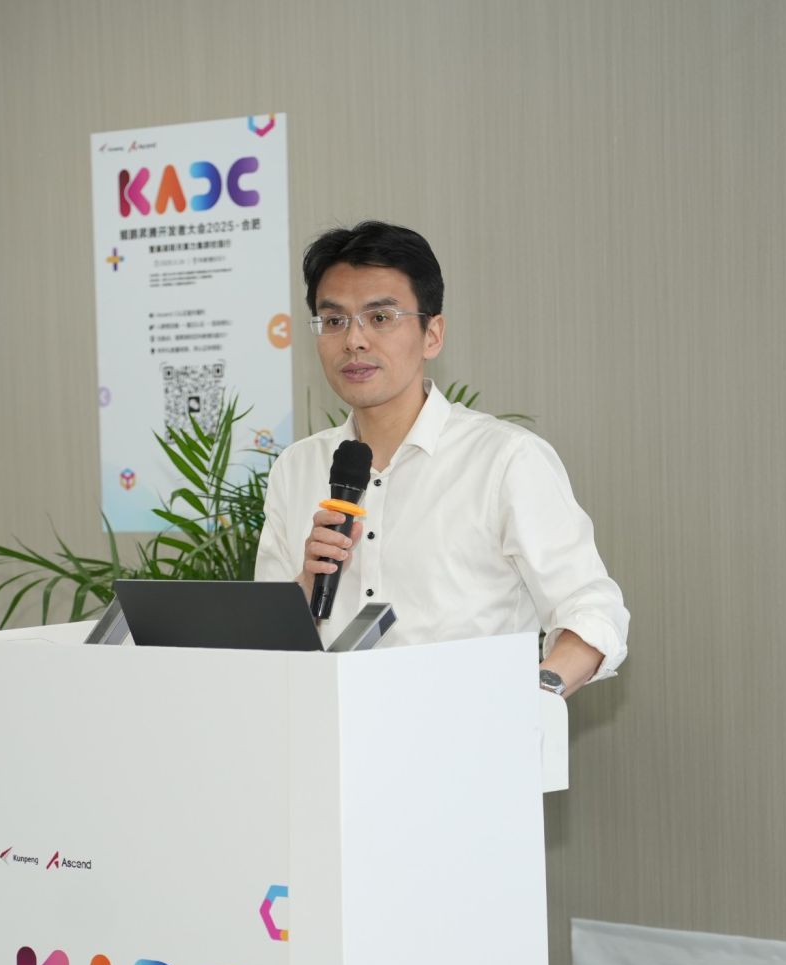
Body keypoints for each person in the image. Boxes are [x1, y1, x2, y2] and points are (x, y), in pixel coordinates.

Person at [254, 222, 628, 696]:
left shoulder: (505, 460)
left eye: (380, 317)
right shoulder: (295, 469)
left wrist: (532, 696)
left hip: (472, 733)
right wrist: (307, 583)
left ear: (432, 333)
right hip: (330, 735)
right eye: (333, 321)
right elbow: (262, 649)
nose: (354, 341)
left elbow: (592, 609)